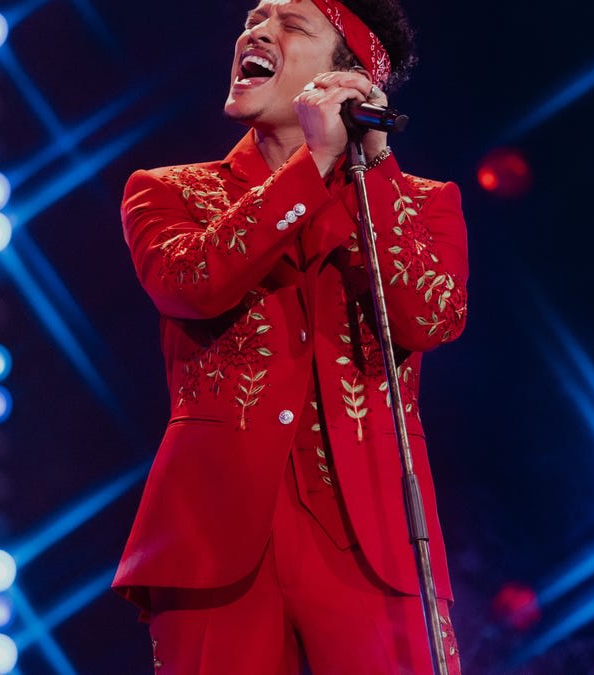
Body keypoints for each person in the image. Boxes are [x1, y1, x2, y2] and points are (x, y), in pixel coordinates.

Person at [112, 1, 468, 672]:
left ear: (348, 76)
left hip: (377, 535)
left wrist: (373, 163)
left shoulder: (421, 202)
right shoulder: (167, 190)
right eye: (255, 17)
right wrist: (313, 162)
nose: (256, 31)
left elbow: (432, 318)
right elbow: (190, 282)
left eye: (291, 24)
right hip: (213, 537)